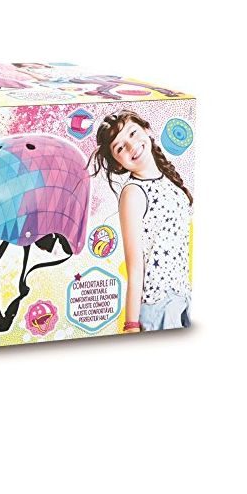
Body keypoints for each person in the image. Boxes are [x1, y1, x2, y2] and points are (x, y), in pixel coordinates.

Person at [90, 110, 193, 332]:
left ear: (146, 130)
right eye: (119, 148)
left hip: (183, 295)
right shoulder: (133, 193)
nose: (131, 146)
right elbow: (135, 268)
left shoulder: (169, 180)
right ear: (118, 164)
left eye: (133, 133)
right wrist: (131, 325)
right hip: (158, 304)